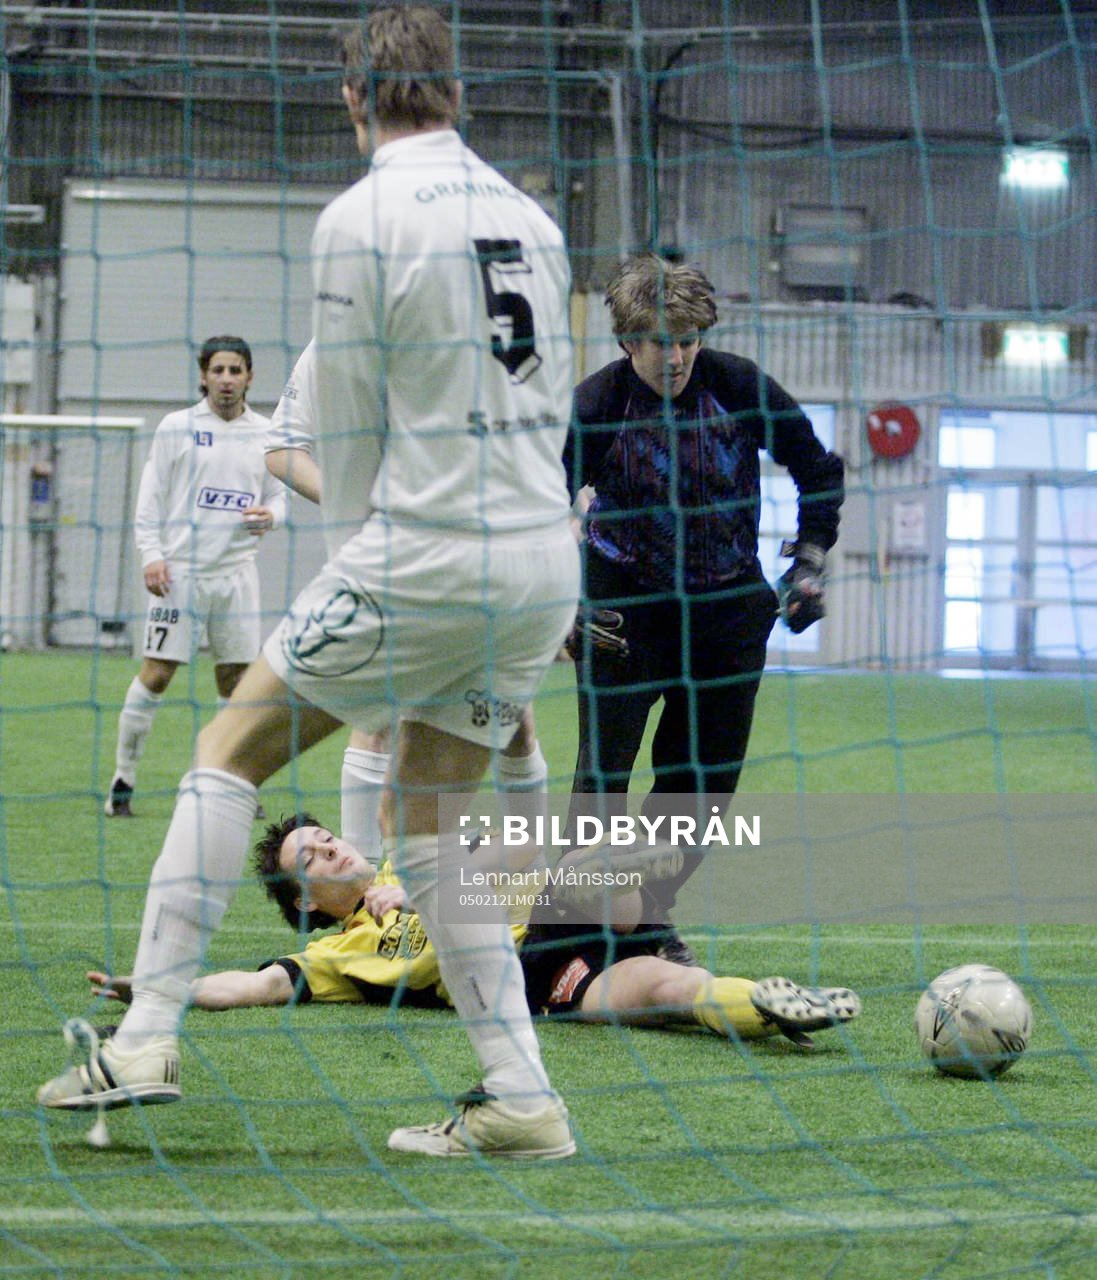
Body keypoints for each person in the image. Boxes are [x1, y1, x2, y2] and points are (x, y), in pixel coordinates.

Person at [38, 7, 580, 1162]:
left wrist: (322, 489)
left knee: (226, 751)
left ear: (352, 101)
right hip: (541, 561)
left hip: (428, 547)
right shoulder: (535, 216)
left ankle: (141, 1038)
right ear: (457, 90)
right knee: (431, 829)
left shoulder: (361, 215)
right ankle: (522, 1097)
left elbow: (338, 459)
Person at [564, 254, 844, 963]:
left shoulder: (738, 384)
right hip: (621, 610)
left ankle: (649, 920)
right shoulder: (596, 404)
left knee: (703, 784)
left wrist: (808, 560)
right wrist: (561, 602)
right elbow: (539, 503)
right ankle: (570, 928)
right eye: (661, 340)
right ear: (628, 341)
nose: (677, 355)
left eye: (689, 338)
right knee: (603, 777)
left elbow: (817, 468)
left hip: (725, 614)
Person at [85, 814, 861, 1051]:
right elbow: (252, 985)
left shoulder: (408, 858)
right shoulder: (333, 953)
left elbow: (517, 848)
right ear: (310, 903)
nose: (329, 847)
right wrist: (160, 989)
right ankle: (770, 1006)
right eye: (311, 858)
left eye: (324, 836)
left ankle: (635, 876)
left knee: (586, 865)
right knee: (663, 993)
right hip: (527, 978)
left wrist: (424, 884)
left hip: (556, 906)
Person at [264, 340, 551, 864]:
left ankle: (535, 880)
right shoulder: (331, 344)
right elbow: (282, 449)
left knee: (511, 719)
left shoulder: (472, 335)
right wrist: (354, 500)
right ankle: (367, 897)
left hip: (474, 559)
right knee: (376, 721)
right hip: (378, 569)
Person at [105, 336, 287, 818]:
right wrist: (151, 554)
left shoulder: (268, 433)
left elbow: (281, 495)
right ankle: (123, 779)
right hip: (180, 575)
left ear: (250, 377)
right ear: (203, 375)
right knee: (158, 674)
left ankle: (235, 785)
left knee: (238, 686)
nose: (227, 379)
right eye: (218, 370)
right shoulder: (176, 427)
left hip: (237, 577)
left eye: (236, 370)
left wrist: (272, 515)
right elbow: (151, 498)